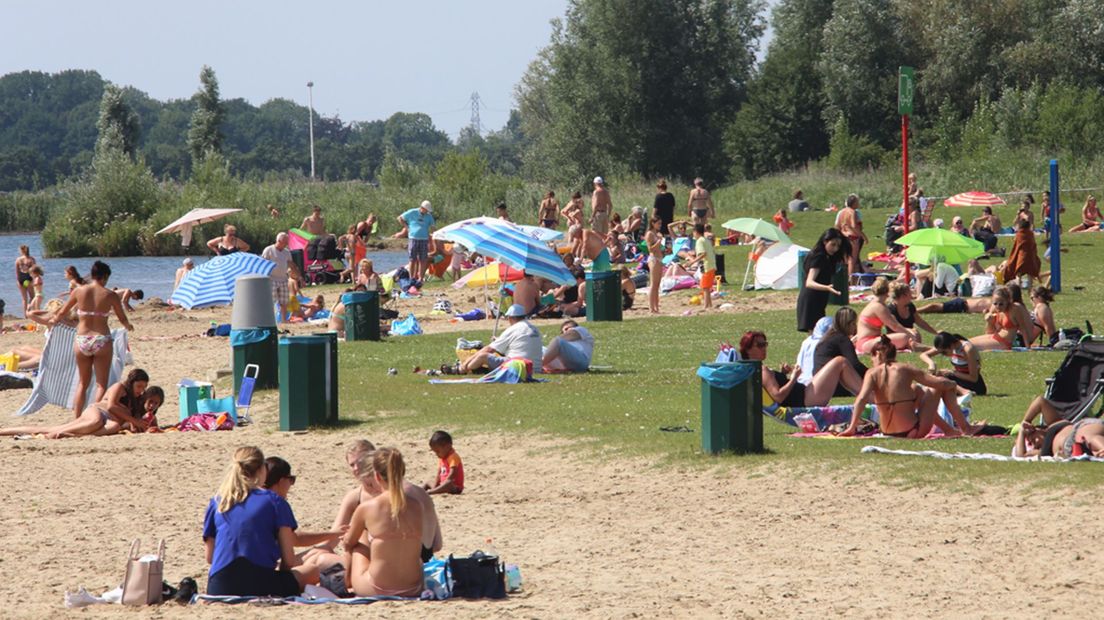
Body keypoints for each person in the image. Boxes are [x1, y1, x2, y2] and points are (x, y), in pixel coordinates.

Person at [303, 440, 443, 580]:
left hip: (386, 571)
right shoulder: (419, 495)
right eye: (352, 465)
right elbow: (437, 544)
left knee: (322, 559)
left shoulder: (384, 500)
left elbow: (342, 542)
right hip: (417, 568)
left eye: (361, 463)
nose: (357, 468)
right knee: (317, 556)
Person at [203, 446, 319, 596]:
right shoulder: (274, 501)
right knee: (312, 570)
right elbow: (289, 561)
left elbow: (210, 557)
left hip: (219, 587)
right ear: (261, 469)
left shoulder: (218, 502)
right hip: (261, 584)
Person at [838, 336, 982, 437]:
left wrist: (852, 428)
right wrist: (954, 384)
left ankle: (949, 430)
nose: (871, 361)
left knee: (916, 390)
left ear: (877, 355)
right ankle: (966, 428)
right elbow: (938, 384)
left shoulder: (871, 373)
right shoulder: (905, 368)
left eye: (872, 357)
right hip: (913, 431)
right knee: (945, 384)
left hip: (887, 431)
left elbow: (861, 399)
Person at [52, 261, 133, 418]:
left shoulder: (78, 291)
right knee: (101, 384)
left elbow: (62, 312)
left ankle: (77, 418)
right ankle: (94, 415)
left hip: (82, 339)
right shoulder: (110, 295)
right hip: (101, 339)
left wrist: (52, 321)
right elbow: (122, 318)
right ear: (105, 277)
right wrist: (128, 326)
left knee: (82, 383)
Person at [342, 448, 425, 597]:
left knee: (360, 538)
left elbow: (348, 543)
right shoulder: (417, 506)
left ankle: (346, 582)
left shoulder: (368, 508)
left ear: (377, 476)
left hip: (376, 588)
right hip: (414, 588)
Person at [0, 370, 158, 438]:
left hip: (110, 421)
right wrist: (133, 420)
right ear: (132, 382)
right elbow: (110, 406)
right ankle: (60, 433)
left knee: (114, 427)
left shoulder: (136, 400)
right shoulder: (120, 387)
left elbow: (130, 422)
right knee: (94, 421)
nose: (141, 390)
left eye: (144, 387)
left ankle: (71, 434)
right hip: (97, 411)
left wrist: (142, 424)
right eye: (139, 386)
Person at [740, 330, 863, 407]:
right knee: (840, 362)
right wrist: (794, 378)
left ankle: (866, 396)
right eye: (760, 345)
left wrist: (782, 375)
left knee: (839, 366)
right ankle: (869, 396)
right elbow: (778, 397)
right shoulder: (762, 371)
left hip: (805, 395)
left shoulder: (755, 371)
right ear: (748, 349)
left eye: (765, 344)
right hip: (806, 398)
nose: (764, 348)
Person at [261, 457, 347, 550]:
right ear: (281, 481)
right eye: (291, 479)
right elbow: (295, 540)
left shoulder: (249, 497)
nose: (291, 484)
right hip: (262, 563)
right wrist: (333, 534)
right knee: (320, 555)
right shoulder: (278, 504)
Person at [460, 304, 542, 373]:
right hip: (535, 368)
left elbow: (489, 349)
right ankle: (476, 369)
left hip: (518, 367)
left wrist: (466, 363)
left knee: (482, 356)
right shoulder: (534, 329)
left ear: (510, 318)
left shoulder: (513, 329)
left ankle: (462, 370)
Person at [795, 228, 849, 332]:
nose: (835, 248)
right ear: (825, 241)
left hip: (819, 299)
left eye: (838, 246)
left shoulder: (827, 257)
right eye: (833, 244)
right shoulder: (819, 257)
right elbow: (809, 282)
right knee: (816, 334)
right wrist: (827, 287)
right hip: (811, 300)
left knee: (819, 334)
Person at [854, 277, 919, 353]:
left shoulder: (879, 305)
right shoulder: (878, 306)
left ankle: (915, 345)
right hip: (866, 343)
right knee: (905, 337)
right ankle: (917, 346)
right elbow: (894, 326)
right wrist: (910, 334)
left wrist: (910, 331)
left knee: (911, 333)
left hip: (872, 340)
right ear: (887, 292)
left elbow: (894, 323)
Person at [919, 332, 987, 396]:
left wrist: (952, 372)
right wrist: (931, 363)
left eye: (944, 352)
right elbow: (924, 355)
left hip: (973, 385)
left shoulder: (967, 349)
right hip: (959, 379)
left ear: (951, 346)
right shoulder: (949, 344)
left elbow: (973, 378)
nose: (943, 354)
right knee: (937, 375)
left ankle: (964, 391)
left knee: (940, 379)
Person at [812, 306, 868, 382]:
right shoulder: (842, 339)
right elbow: (855, 365)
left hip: (818, 379)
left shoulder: (828, 337)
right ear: (848, 324)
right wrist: (871, 374)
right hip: (831, 383)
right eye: (854, 323)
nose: (855, 327)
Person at [970, 286, 1033, 351]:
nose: (998, 306)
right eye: (995, 303)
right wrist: (989, 322)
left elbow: (1023, 329)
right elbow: (989, 332)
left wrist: (1028, 347)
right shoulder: (995, 309)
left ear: (1008, 301)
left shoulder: (1014, 309)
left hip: (1004, 342)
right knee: (967, 342)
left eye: (1001, 304)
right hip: (995, 336)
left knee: (970, 346)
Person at [1014, 419, 1104, 458]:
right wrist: (1021, 432)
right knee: (1097, 452)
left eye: (1033, 439)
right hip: (1077, 445)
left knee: (1089, 437)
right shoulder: (1041, 451)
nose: (1035, 444)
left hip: (1079, 430)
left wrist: (1026, 422)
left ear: (1038, 429)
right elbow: (1020, 456)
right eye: (1032, 445)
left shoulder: (1052, 426)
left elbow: (1040, 401)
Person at [397, 200, 436, 284]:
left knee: (423, 259)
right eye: (426, 210)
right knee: (412, 259)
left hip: (424, 239)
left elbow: (433, 226)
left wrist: (434, 234)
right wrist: (407, 228)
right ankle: (411, 278)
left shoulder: (429, 216)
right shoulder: (412, 212)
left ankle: (420, 278)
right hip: (413, 238)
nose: (427, 212)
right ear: (422, 208)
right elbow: (400, 218)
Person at [261, 233, 294, 322]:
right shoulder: (269, 250)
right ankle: (269, 320)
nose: (286, 244)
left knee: (284, 301)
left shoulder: (286, 252)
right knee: (271, 301)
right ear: (278, 241)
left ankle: (284, 320)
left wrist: (298, 276)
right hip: (271, 278)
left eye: (287, 242)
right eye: (285, 242)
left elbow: (291, 264)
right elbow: (263, 264)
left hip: (283, 278)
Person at [1001, 218, 1040, 287]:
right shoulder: (1031, 234)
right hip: (1030, 256)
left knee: (1018, 274)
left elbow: (1016, 245)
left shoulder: (1019, 234)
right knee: (1030, 274)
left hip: (1021, 256)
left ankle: (1018, 288)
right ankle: (1030, 289)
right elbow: (1033, 244)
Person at [423, 431, 464, 495]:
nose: (436, 454)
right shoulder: (442, 458)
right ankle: (419, 491)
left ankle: (431, 492)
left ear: (447, 446)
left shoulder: (453, 457)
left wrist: (445, 482)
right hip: (442, 484)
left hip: (454, 487)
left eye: (438, 451)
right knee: (428, 482)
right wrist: (436, 484)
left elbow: (452, 474)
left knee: (448, 483)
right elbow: (439, 473)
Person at [834, 194, 866, 275]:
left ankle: (842, 277)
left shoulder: (841, 212)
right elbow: (854, 226)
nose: (858, 204)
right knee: (852, 260)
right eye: (857, 202)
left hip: (843, 236)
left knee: (844, 259)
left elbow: (837, 226)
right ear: (854, 203)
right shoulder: (852, 212)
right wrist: (864, 236)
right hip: (852, 238)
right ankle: (850, 279)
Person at [796, 316, 833, 386]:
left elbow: (799, 364)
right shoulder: (827, 344)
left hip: (801, 381)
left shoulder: (807, 341)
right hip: (817, 382)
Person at [686, 224, 716, 310]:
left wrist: (692, 262)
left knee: (705, 287)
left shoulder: (699, 241)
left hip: (707, 267)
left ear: (695, 232)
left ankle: (706, 306)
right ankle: (709, 305)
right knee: (707, 287)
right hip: (712, 266)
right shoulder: (706, 240)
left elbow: (703, 254)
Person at [644, 217, 664, 314]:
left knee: (657, 285)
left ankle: (656, 307)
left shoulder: (657, 234)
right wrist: (658, 241)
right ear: (653, 223)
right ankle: (651, 308)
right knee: (653, 284)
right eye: (658, 223)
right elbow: (650, 249)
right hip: (654, 259)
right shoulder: (649, 234)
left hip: (660, 259)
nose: (660, 225)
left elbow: (659, 249)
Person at [15, 244, 36, 313]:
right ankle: (30, 310)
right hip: (28, 278)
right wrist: (35, 280)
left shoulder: (18, 260)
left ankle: (25, 314)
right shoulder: (32, 259)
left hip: (21, 279)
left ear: (21, 251)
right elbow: (34, 271)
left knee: (24, 299)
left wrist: (18, 281)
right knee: (33, 297)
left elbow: (17, 272)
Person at [917, 296, 992, 315]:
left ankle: (916, 310)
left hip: (962, 305)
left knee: (934, 307)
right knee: (933, 306)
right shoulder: (994, 303)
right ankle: (915, 311)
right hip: (961, 304)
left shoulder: (994, 303)